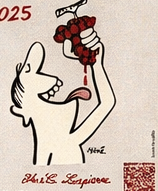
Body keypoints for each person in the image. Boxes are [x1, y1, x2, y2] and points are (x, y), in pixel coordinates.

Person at [9, 27, 114, 165]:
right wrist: (96, 65)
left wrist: (97, 64)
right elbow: (107, 103)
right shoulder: (63, 145)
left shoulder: (68, 141)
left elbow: (107, 103)